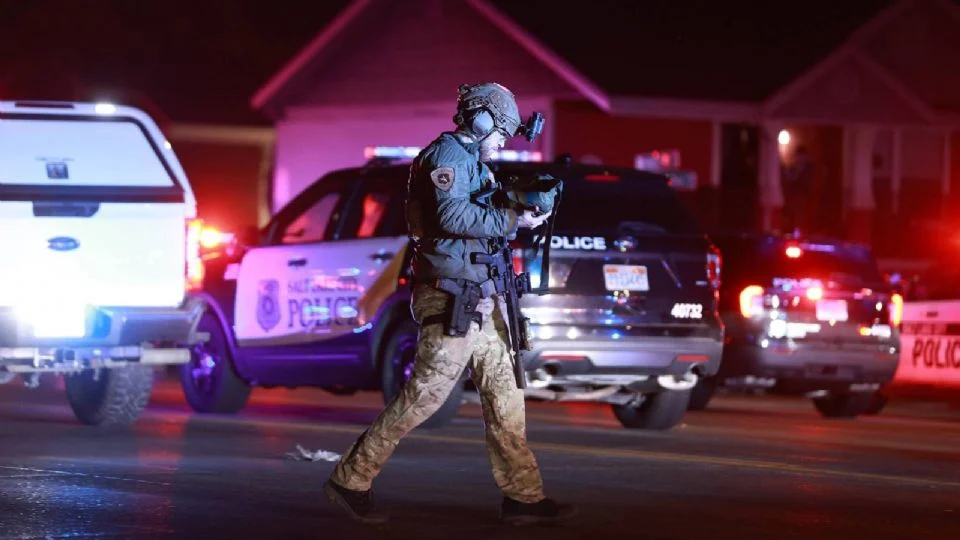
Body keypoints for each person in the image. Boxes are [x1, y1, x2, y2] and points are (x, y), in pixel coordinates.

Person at [323, 82, 575, 526]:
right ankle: (350, 479)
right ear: (481, 119)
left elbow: (478, 212)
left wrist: (518, 202)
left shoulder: (475, 163)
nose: (502, 141)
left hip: (485, 298)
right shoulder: (446, 156)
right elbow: (451, 216)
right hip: (452, 297)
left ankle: (523, 498)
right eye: (501, 131)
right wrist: (512, 218)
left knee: (506, 395)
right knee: (426, 394)